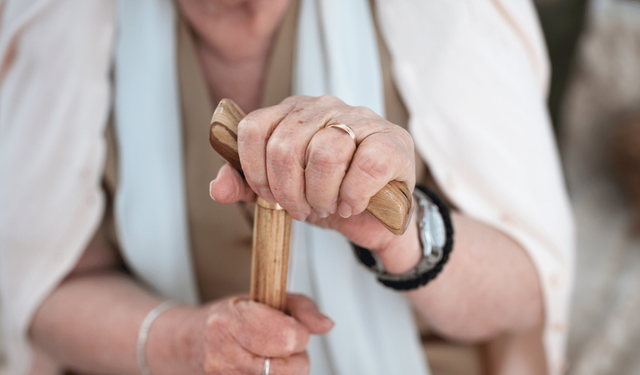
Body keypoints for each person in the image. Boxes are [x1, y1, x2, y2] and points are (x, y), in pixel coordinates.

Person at [0, 0, 574, 374]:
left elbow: (530, 287)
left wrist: (402, 231)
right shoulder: (64, 23)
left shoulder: (442, 14)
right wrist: (186, 343)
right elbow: (39, 283)